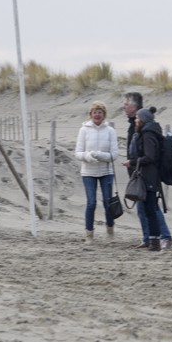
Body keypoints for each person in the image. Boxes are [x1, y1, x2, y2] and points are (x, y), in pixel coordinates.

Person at [122, 92, 172, 250]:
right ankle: (148, 238)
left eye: (126, 104)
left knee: (151, 207)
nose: (123, 106)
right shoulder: (136, 125)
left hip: (145, 173)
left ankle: (163, 237)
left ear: (135, 107)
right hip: (138, 171)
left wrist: (133, 162)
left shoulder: (146, 129)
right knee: (142, 208)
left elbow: (149, 155)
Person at [74, 100, 118, 243]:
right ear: (90, 114)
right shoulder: (84, 130)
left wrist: (100, 155)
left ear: (104, 114)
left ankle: (110, 231)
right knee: (91, 203)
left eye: (100, 112)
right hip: (88, 172)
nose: (97, 115)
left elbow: (114, 155)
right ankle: (89, 235)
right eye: (95, 112)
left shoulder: (110, 131)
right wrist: (88, 156)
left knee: (107, 202)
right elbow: (78, 153)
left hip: (106, 171)